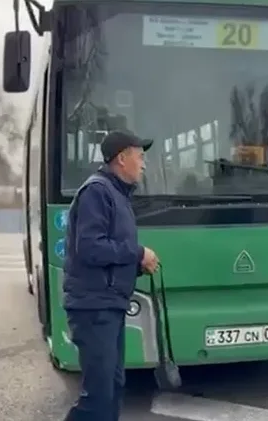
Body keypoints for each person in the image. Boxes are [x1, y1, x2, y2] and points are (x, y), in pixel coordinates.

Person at [62, 131, 160, 421]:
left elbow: (109, 252)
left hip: (107, 305)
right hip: (94, 308)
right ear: (121, 158)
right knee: (99, 396)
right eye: (140, 156)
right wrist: (138, 253)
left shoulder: (115, 194)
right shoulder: (97, 192)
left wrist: (136, 266)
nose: (143, 164)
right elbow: (90, 248)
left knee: (113, 388)